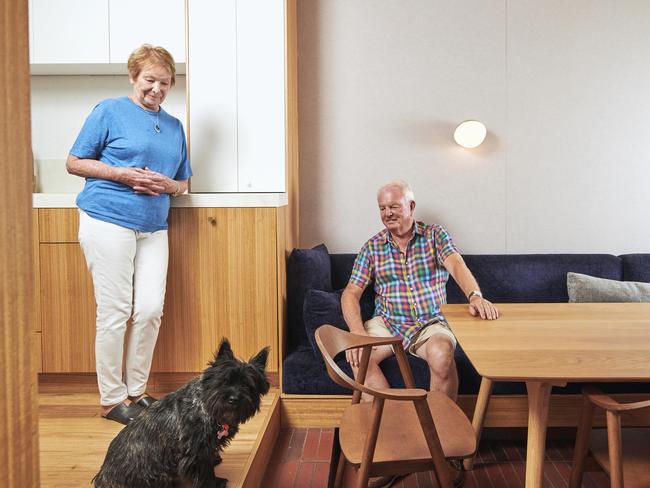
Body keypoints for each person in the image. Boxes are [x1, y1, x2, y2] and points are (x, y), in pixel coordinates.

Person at [66, 44, 192, 425]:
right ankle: (111, 398)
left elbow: (183, 181)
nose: (156, 88)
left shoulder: (174, 126)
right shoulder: (109, 110)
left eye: (165, 83)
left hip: (153, 227)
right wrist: (123, 174)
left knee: (151, 309)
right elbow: (74, 161)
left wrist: (168, 185)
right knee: (115, 310)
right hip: (108, 219)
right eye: (150, 80)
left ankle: (137, 392)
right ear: (134, 77)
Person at [341, 180, 499, 402]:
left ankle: (437, 430)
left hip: (430, 323)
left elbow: (456, 265)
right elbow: (350, 293)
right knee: (358, 358)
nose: (387, 213)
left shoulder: (435, 235)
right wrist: (357, 331)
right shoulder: (371, 247)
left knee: (442, 355)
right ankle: (390, 424)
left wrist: (475, 296)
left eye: (394, 206)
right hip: (387, 323)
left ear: (411, 206)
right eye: (382, 208)